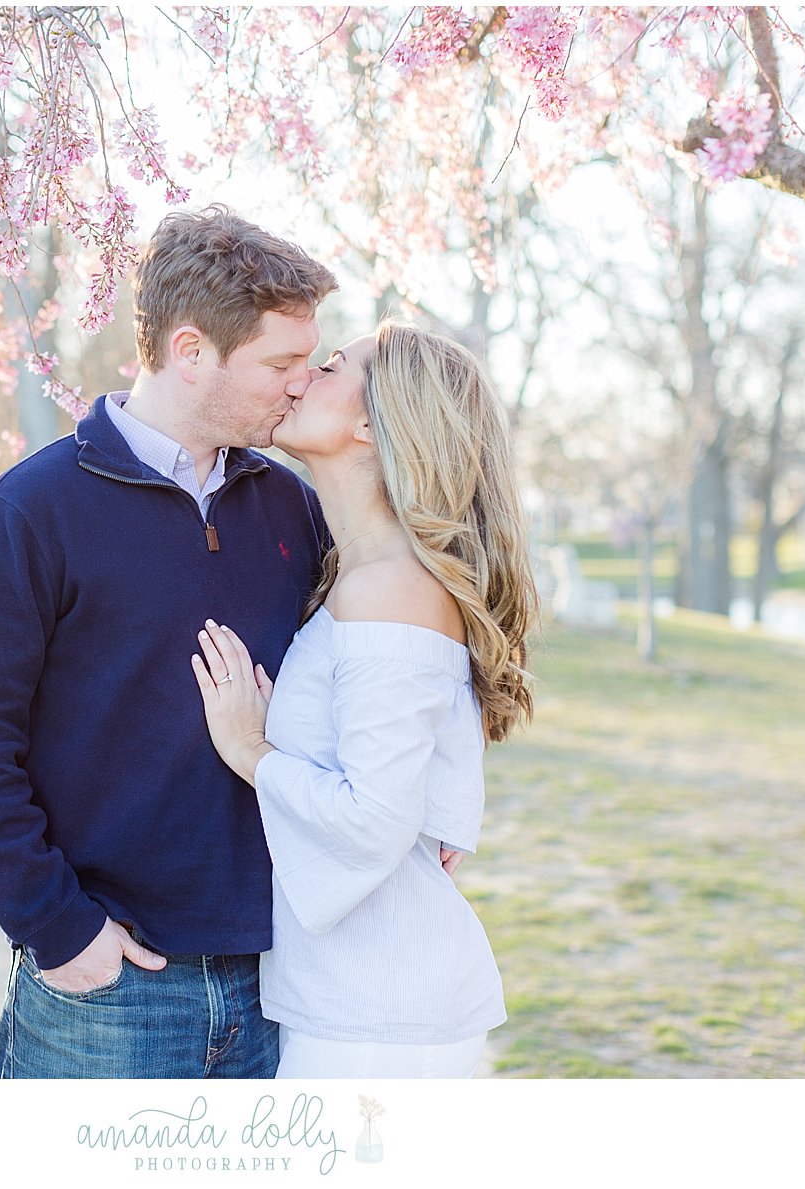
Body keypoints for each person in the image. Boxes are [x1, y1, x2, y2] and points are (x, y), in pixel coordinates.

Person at [0, 207, 337, 1078]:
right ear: (191, 351)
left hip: (272, 978)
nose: (302, 384)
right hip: (107, 994)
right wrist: (60, 929)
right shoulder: (28, 515)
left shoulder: (291, 507)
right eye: (280, 362)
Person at [191, 321, 538, 1078]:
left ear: (370, 421)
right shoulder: (372, 576)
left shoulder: (389, 589)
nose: (305, 373)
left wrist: (254, 752)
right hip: (362, 1001)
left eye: (334, 366)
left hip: (379, 1019)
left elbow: (375, 819)